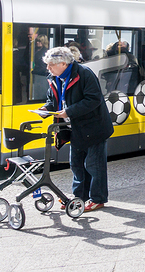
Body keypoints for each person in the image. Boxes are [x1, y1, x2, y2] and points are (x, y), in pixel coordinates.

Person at [40, 46, 113, 212]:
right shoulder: (55, 77)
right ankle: (79, 197)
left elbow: (94, 99)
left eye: (51, 65)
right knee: (77, 164)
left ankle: (97, 198)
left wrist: (69, 111)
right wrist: (46, 109)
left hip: (93, 127)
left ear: (64, 64)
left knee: (94, 166)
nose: (48, 68)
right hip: (74, 128)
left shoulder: (84, 74)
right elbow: (53, 100)